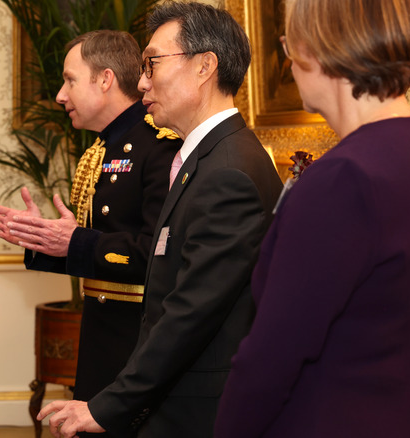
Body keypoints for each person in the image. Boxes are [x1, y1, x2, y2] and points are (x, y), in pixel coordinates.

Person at [214, 0, 410, 436]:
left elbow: (271, 358)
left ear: (323, 48)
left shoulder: (344, 178)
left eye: (289, 43)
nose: (289, 59)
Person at [37, 3, 283, 437]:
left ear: (205, 66)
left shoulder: (228, 170)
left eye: (152, 64)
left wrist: (108, 406)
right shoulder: (206, 158)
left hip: (196, 411)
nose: (142, 80)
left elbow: (191, 313)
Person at [0, 29, 180, 431]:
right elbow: (98, 247)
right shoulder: (101, 150)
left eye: (70, 80)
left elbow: (157, 255)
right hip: (101, 334)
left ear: (104, 79)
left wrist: (74, 240)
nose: (60, 96)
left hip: (139, 340)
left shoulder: (161, 144)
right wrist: (47, 238)